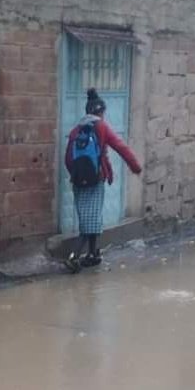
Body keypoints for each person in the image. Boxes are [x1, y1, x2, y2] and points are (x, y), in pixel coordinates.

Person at [64, 88, 142, 271]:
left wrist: (78, 175)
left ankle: (93, 254)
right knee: (89, 222)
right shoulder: (102, 127)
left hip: (78, 181)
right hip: (95, 180)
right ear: (100, 112)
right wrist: (135, 167)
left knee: (90, 219)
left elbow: (68, 158)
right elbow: (121, 147)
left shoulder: (76, 130)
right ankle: (73, 256)